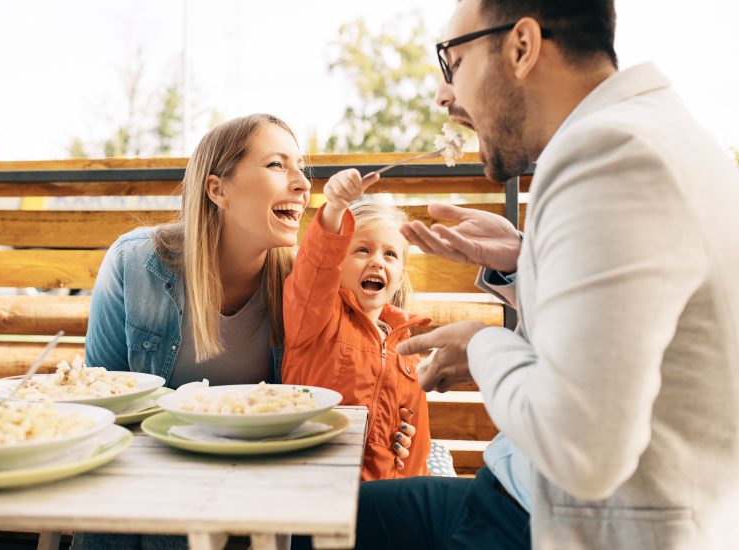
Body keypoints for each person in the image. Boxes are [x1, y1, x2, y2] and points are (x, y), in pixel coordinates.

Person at [358, 0, 739, 548]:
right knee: (308, 522)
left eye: (454, 62)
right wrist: (524, 261)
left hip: (554, 526)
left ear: (522, 47)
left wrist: (482, 345)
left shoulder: (610, 155)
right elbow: (623, 324)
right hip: (513, 490)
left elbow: (581, 450)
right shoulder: (653, 131)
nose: (444, 94)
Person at [74, 114, 418, 549]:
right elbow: (103, 402)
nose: (302, 184)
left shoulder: (303, 289)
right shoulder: (134, 263)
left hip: (260, 479)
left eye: (301, 168)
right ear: (217, 190)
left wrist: (389, 429)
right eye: (277, 165)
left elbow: (351, 374)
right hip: (155, 465)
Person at [282, 169, 431, 479]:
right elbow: (316, 266)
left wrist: (412, 484)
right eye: (362, 250)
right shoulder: (316, 317)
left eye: (390, 254)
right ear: (338, 263)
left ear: (400, 275)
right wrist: (336, 208)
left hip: (383, 489)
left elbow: (416, 445)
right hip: (318, 478)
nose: (377, 261)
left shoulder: (405, 347)